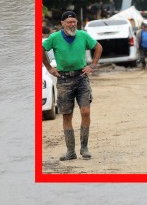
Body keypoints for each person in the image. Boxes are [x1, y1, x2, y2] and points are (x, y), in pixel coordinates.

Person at [41, 10, 102, 161]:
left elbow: (98, 47)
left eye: (74, 22)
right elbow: (41, 49)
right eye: (69, 22)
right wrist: (49, 68)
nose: (73, 24)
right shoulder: (54, 38)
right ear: (62, 24)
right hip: (64, 79)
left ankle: (84, 147)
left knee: (85, 111)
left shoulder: (82, 35)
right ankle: (70, 151)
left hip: (82, 78)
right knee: (67, 115)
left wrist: (92, 65)